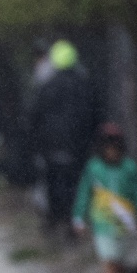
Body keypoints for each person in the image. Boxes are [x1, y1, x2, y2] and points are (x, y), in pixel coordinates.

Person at [73, 123, 137, 273]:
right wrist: (79, 218)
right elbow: (84, 194)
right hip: (103, 225)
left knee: (120, 266)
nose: (111, 151)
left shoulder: (129, 168)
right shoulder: (93, 168)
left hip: (125, 224)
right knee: (109, 262)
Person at [27, 40, 98, 234]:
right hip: (78, 144)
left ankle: (54, 219)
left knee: (52, 181)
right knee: (75, 183)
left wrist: (36, 143)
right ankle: (72, 221)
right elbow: (94, 115)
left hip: (51, 144)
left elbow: (34, 116)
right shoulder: (85, 86)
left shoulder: (46, 87)